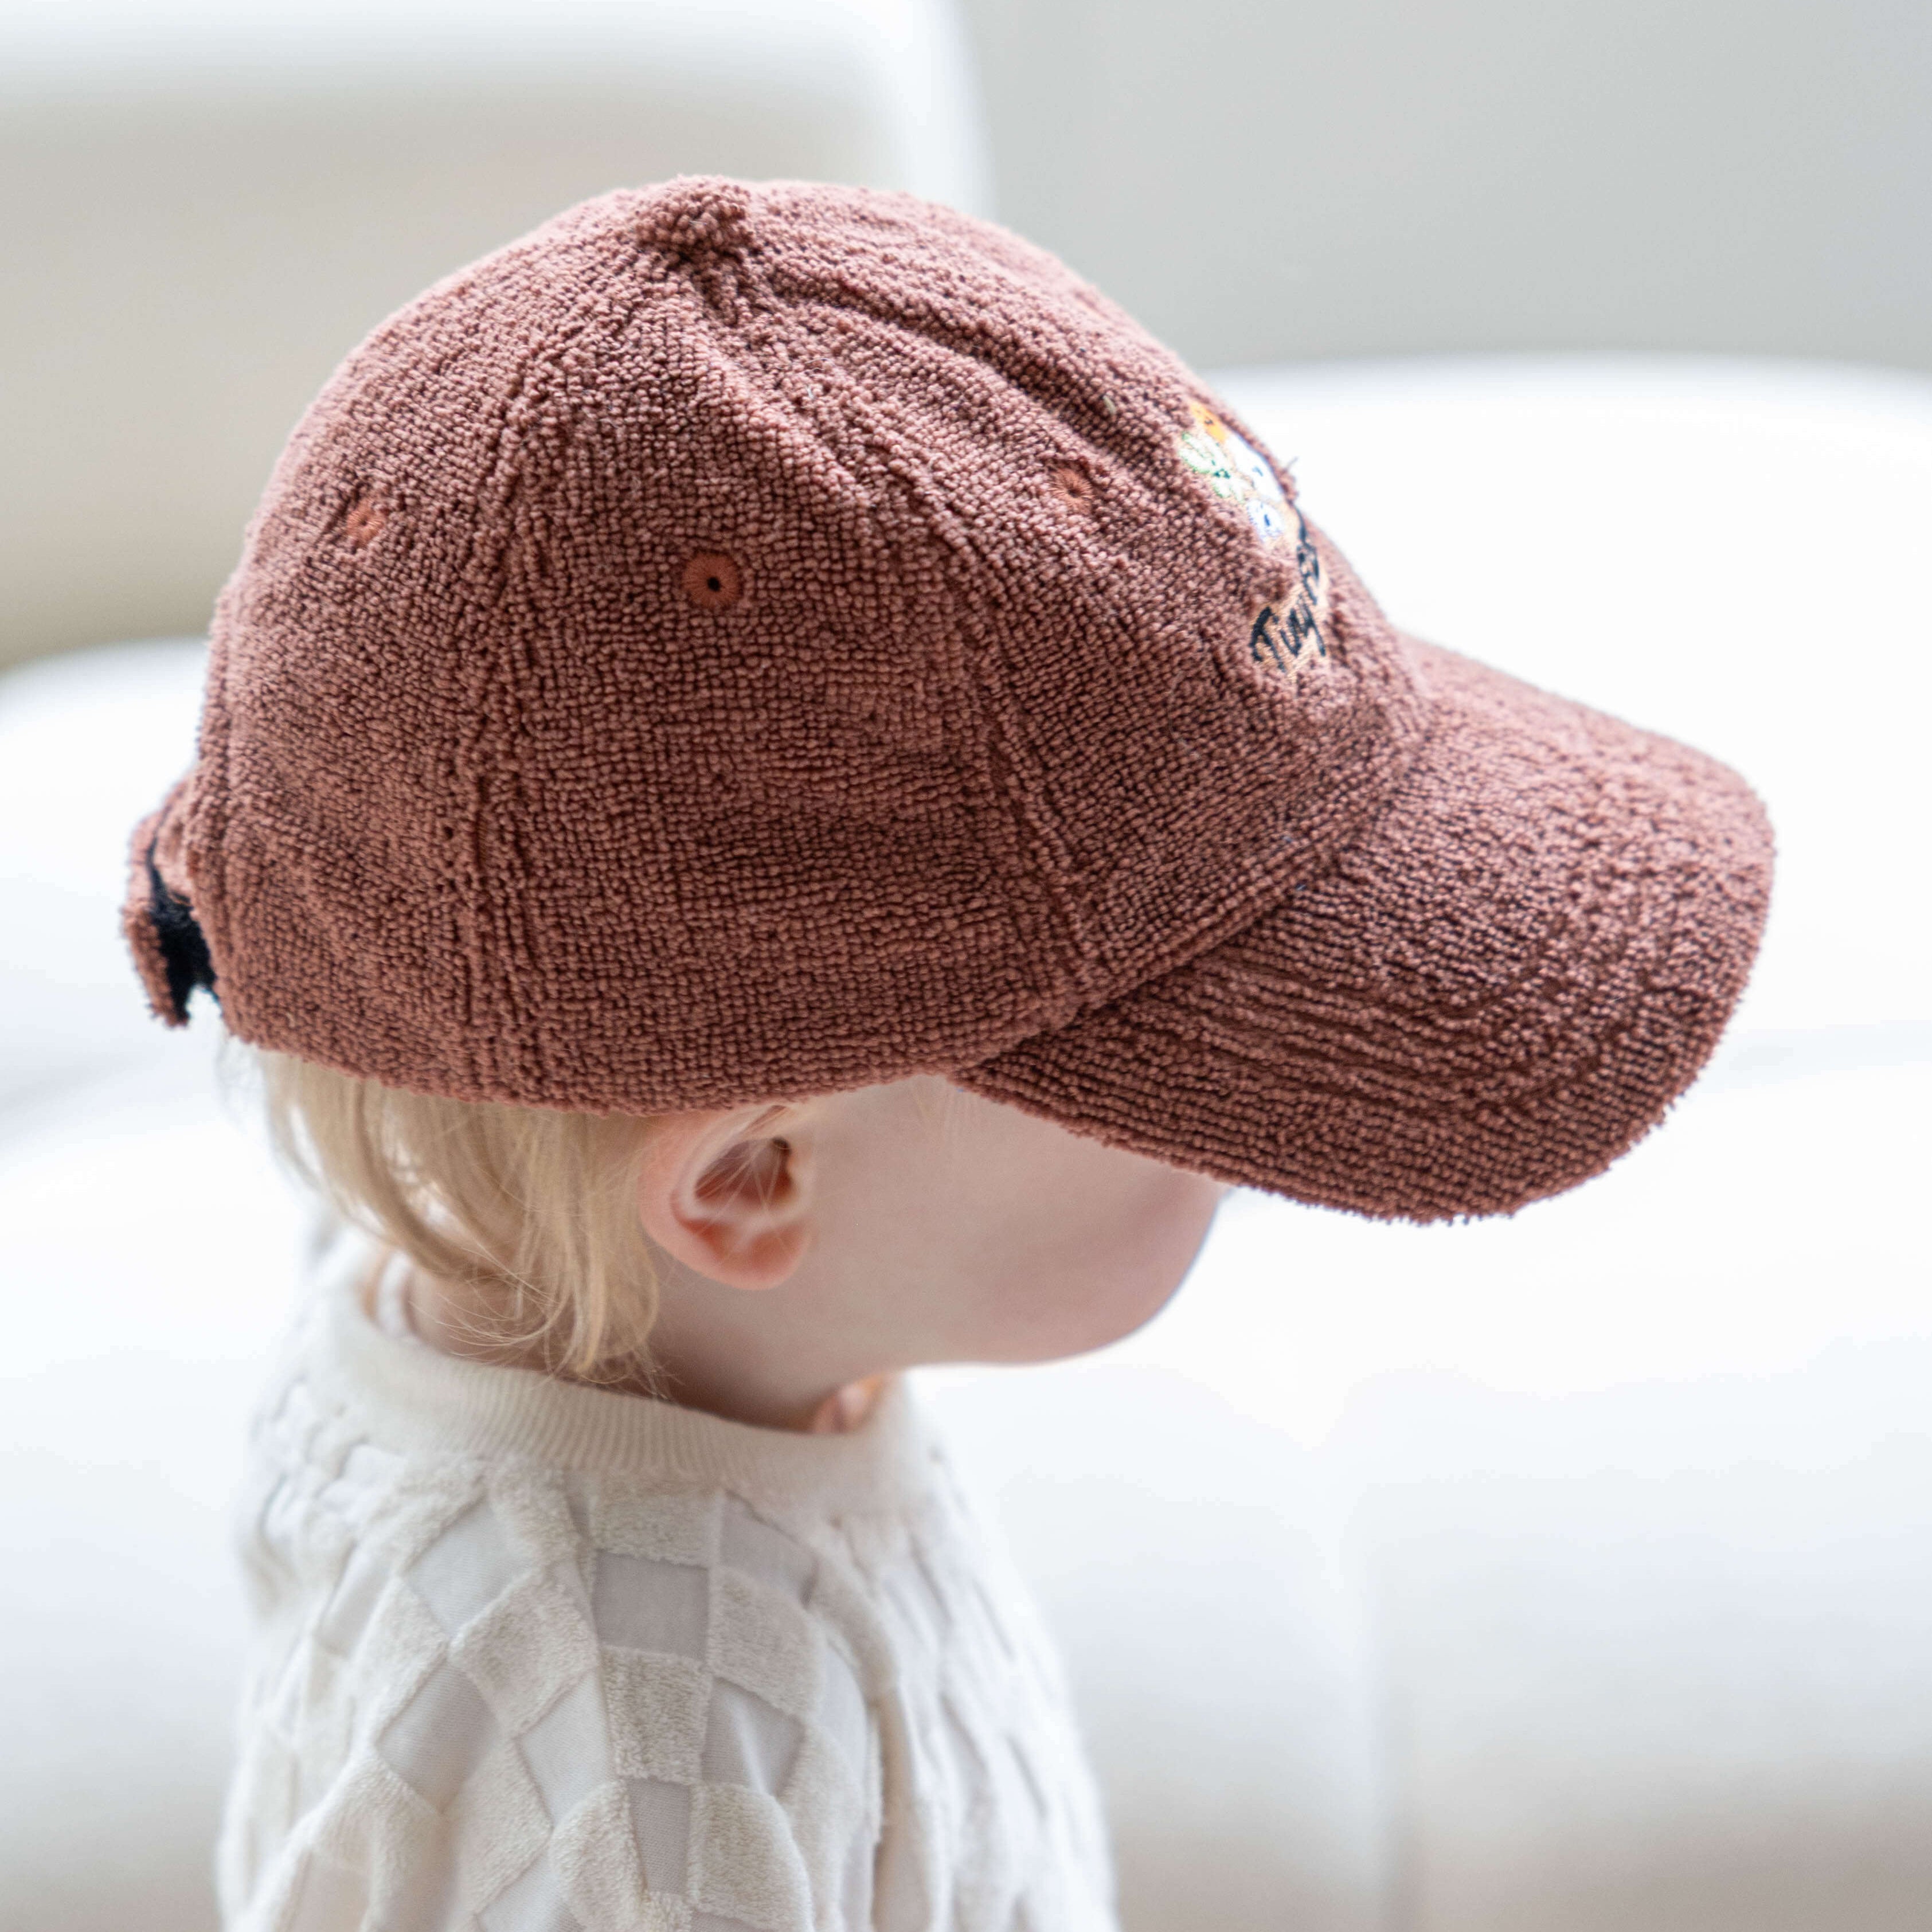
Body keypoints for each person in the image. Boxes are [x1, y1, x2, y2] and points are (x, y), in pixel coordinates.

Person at [122, 178, 1772, 1932]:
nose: (1258, 1145)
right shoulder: (638, 1776)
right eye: (1204, 1082)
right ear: (756, 1173)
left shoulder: (549, 1287)